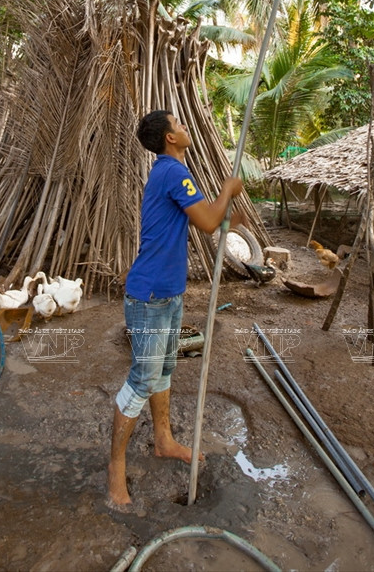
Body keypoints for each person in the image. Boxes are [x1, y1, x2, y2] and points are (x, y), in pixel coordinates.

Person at [108, 109, 244, 506]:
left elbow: (209, 220)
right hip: (150, 296)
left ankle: (164, 440)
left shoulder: (171, 172)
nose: (185, 127)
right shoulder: (172, 172)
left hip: (169, 293)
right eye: (179, 124)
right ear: (169, 137)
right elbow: (208, 222)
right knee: (142, 380)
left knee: (165, 370)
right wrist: (228, 190)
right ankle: (115, 469)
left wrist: (226, 213)